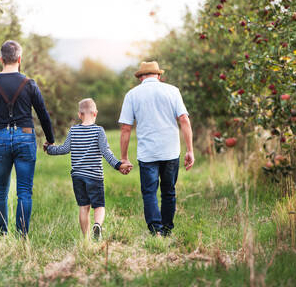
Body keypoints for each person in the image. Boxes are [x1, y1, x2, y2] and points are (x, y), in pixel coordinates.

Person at [0, 40, 55, 236]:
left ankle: (1, 235)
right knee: (24, 191)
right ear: (20, 59)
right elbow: (43, 114)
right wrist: (50, 139)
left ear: (1, 59)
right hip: (25, 137)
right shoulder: (29, 84)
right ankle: (22, 236)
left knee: (0, 190)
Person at [118, 61, 194, 236]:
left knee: (149, 192)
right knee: (169, 191)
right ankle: (167, 230)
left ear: (140, 78)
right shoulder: (173, 91)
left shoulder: (132, 95)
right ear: (158, 75)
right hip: (171, 151)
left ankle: (156, 231)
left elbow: (125, 128)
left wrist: (124, 157)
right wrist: (190, 150)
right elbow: (184, 120)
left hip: (147, 154)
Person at [45, 98, 132, 240]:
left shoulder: (73, 130)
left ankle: (86, 239)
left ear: (79, 114)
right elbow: (106, 152)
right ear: (95, 113)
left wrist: (49, 149)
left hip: (78, 176)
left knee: (83, 207)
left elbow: (64, 149)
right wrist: (118, 165)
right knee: (99, 206)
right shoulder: (99, 131)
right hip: (95, 176)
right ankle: (97, 225)